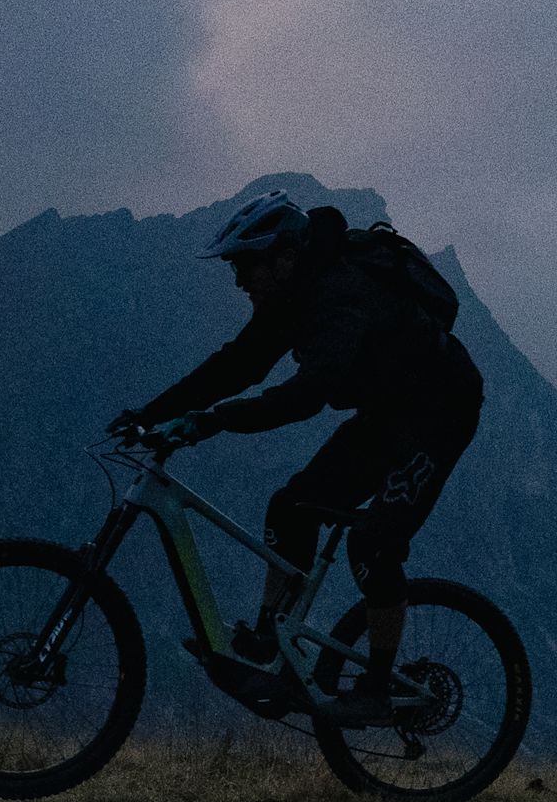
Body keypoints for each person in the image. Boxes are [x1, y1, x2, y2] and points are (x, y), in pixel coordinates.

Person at [111, 192, 485, 718]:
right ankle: (272, 644)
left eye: (245, 266)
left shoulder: (341, 294)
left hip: (438, 413)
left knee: (373, 543)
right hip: (386, 413)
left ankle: (378, 687)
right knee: (291, 507)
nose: (238, 280)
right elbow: (236, 365)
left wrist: (212, 421)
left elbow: (307, 396)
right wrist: (151, 413)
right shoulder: (290, 298)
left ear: (284, 257)